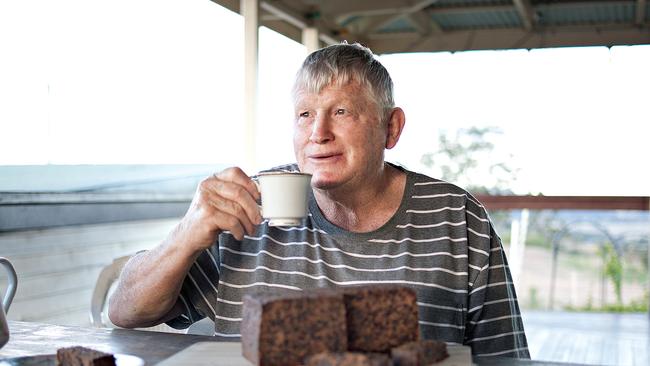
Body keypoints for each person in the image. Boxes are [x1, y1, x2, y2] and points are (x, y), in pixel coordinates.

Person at [109, 43, 529, 358]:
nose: (318, 133)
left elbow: (505, 358)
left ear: (391, 127)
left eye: (342, 111)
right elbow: (125, 312)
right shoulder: (246, 206)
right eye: (304, 114)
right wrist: (185, 236)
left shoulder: (457, 217)